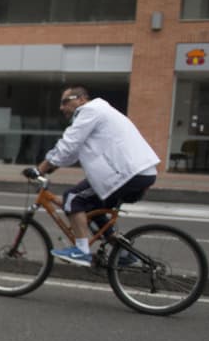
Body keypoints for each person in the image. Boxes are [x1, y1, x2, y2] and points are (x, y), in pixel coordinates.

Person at [38, 86, 158, 266]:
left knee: (73, 198)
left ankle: (81, 251)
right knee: (89, 209)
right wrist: (53, 166)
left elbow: (68, 144)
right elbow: (71, 153)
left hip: (127, 173)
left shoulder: (89, 111)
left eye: (65, 101)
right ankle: (124, 253)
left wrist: (42, 168)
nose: (61, 108)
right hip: (138, 173)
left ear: (81, 99)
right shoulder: (100, 112)